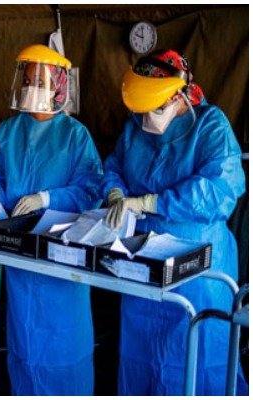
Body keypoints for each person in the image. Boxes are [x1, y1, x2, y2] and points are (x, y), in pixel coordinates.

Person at [102, 49, 249, 395]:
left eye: (154, 107)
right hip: (142, 261)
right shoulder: (136, 126)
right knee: (141, 354)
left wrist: (153, 202)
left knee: (197, 356)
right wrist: (115, 194)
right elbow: (114, 167)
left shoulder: (211, 127)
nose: (145, 119)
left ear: (178, 95)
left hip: (198, 266)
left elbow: (221, 189)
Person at [0, 45, 103, 395]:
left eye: (40, 81)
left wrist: (47, 198)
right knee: (23, 337)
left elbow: (91, 189)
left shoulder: (75, 135)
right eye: (27, 80)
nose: (31, 87)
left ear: (59, 86)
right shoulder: (9, 130)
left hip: (59, 252)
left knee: (62, 343)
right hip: (18, 250)